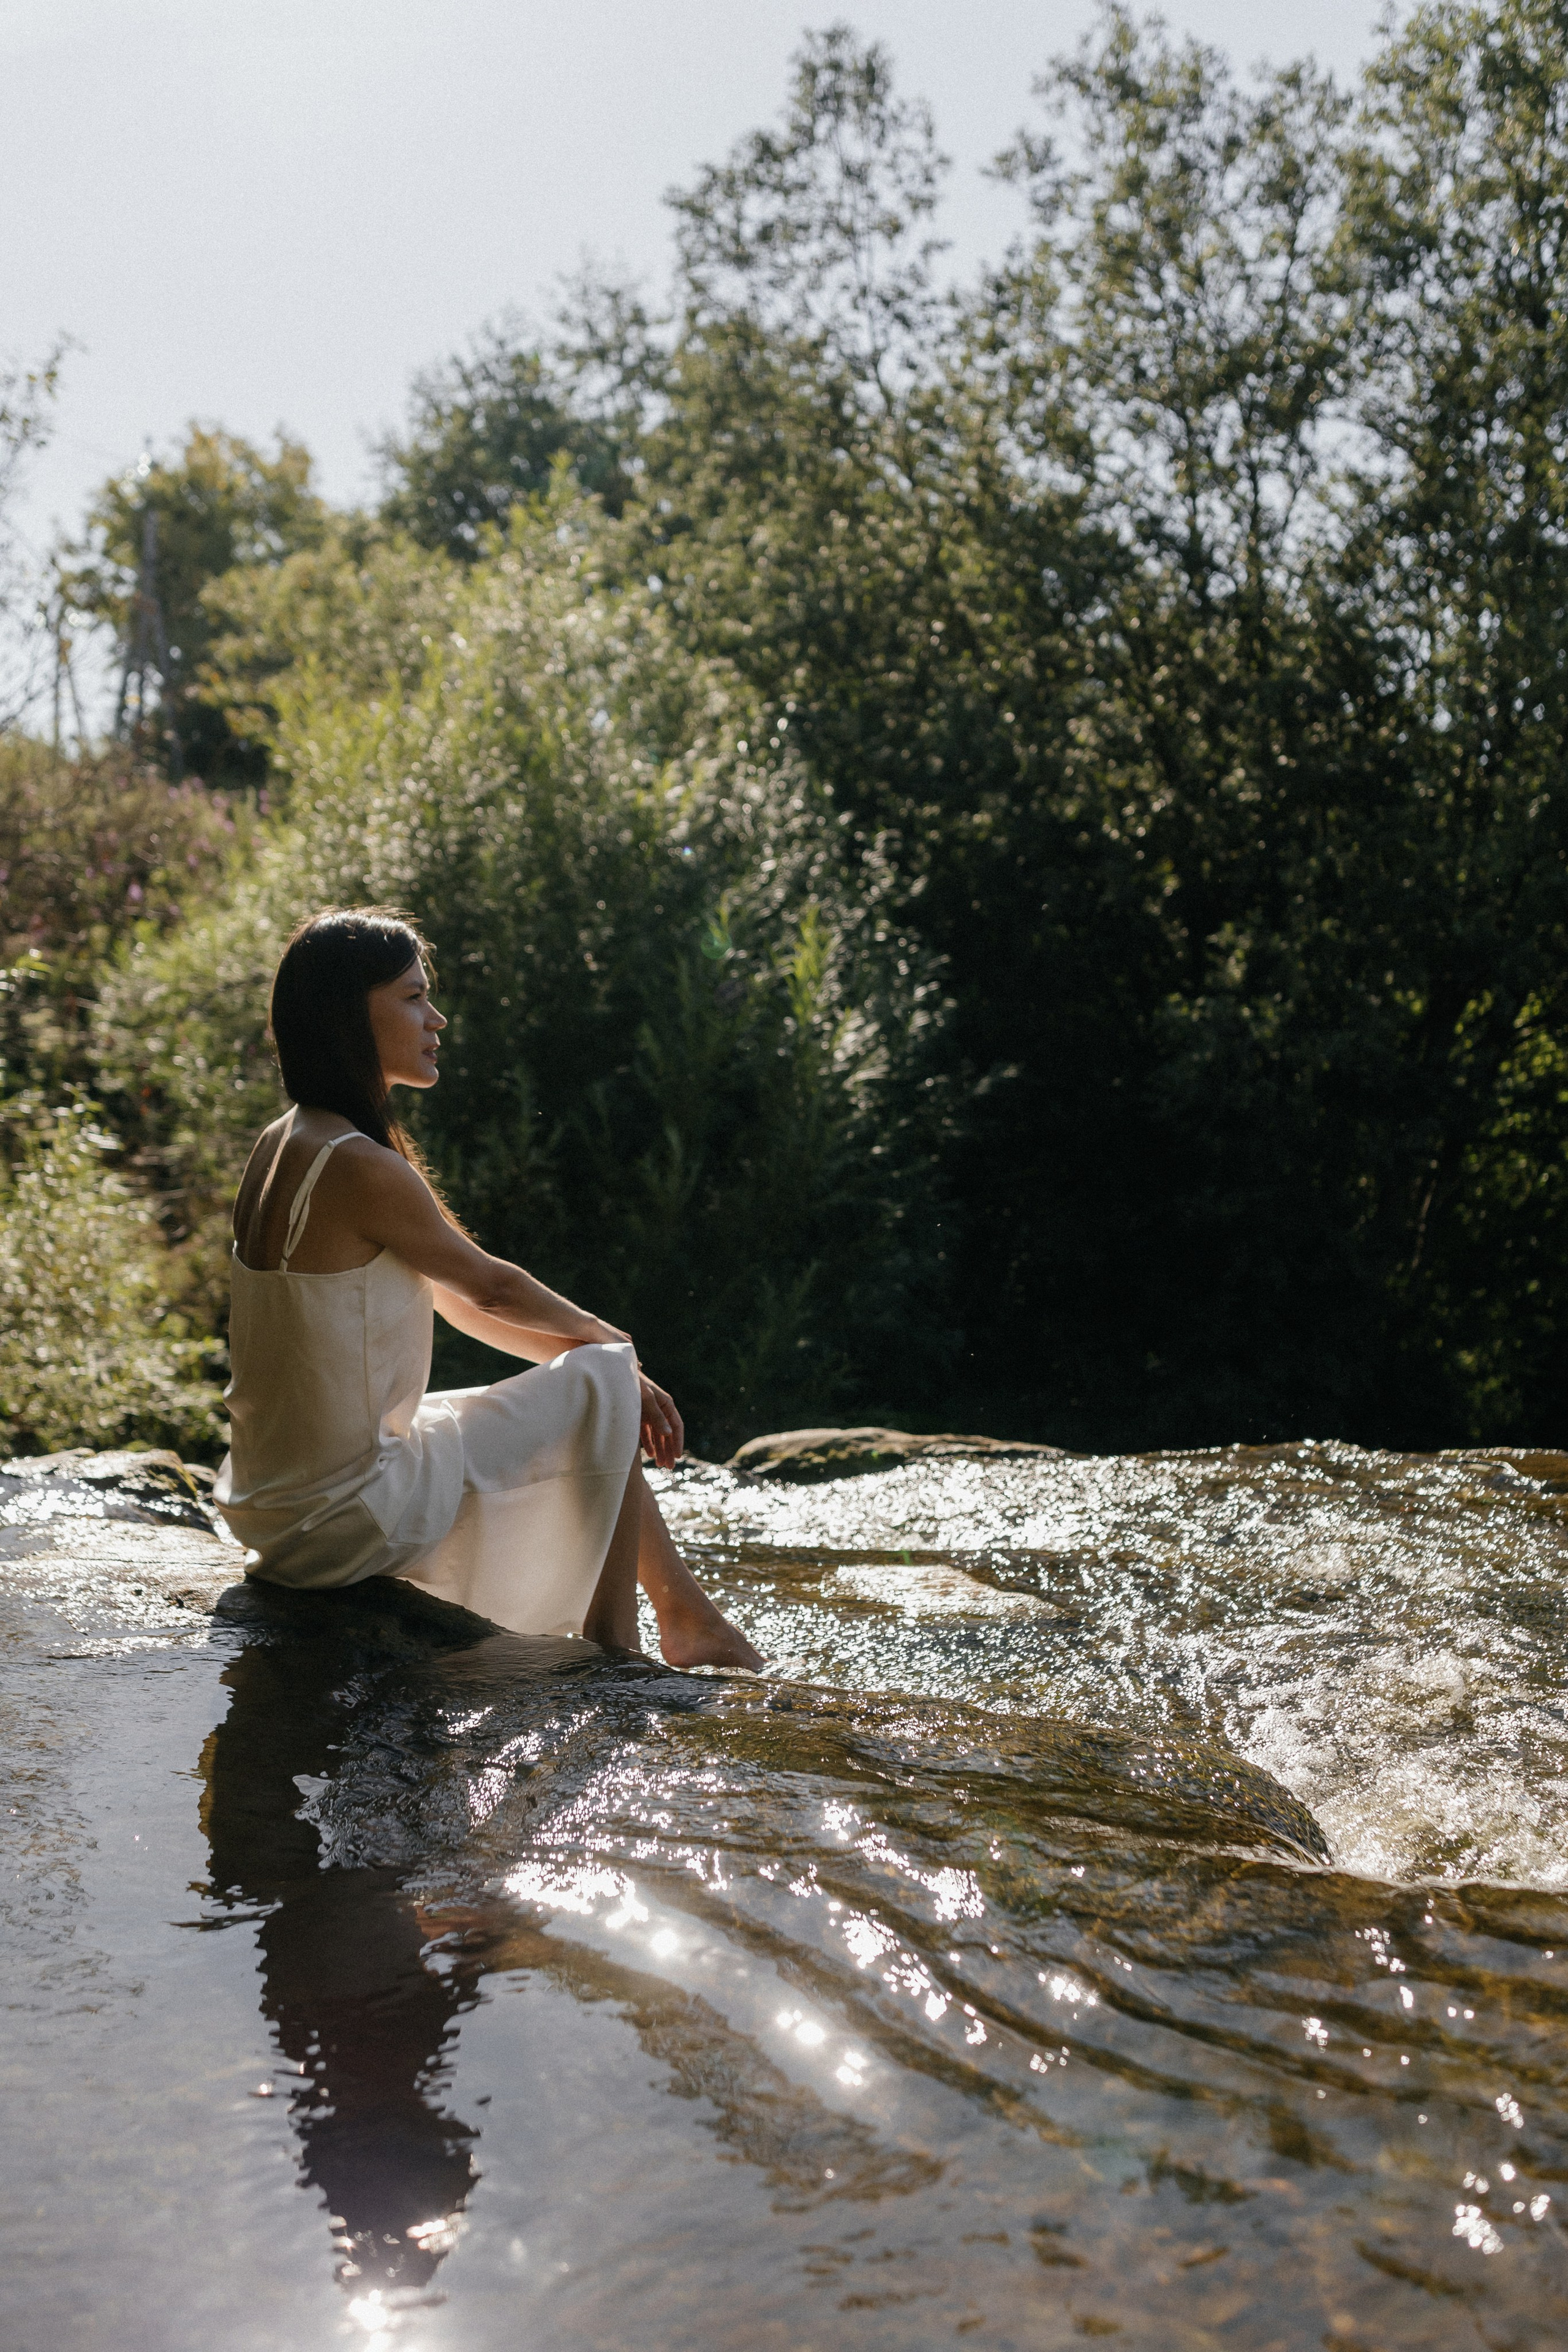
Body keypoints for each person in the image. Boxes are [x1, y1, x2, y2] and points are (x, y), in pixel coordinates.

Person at [214, 905, 763, 1668]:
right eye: (411, 998)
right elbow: (493, 1289)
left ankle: (683, 1617)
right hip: (345, 1518)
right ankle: (617, 1649)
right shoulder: (358, 1164)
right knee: (600, 1372)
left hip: (282, 1513)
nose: (436, 1019)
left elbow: (464, 1304)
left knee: (596, 1383)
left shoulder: (286, 1141)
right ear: (348, 1015)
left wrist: (604, 1375)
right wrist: (611, 1346)